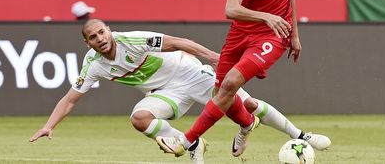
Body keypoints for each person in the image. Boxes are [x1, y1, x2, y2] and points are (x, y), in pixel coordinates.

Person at [30, 19, 328, 164]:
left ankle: (299, 136)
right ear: (88, 44)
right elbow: (70, 99)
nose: (100, 39)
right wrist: (48, 125)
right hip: (165, 91)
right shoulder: (93, 64)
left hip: (189, 72)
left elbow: (180, 42)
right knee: (140, 118)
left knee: (247, 106)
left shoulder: (135, 39)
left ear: (109, 30)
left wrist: (213, 58)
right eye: (93, 37)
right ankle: (193, 144)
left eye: (102, 32)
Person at [156, 0, 331, 158]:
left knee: (230, 85)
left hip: (273, 35)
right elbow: (231, 9)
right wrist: (266, 16)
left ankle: (186, 141)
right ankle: (248, 124)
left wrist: (295, 35)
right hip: (241, 32)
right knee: (219, 93)